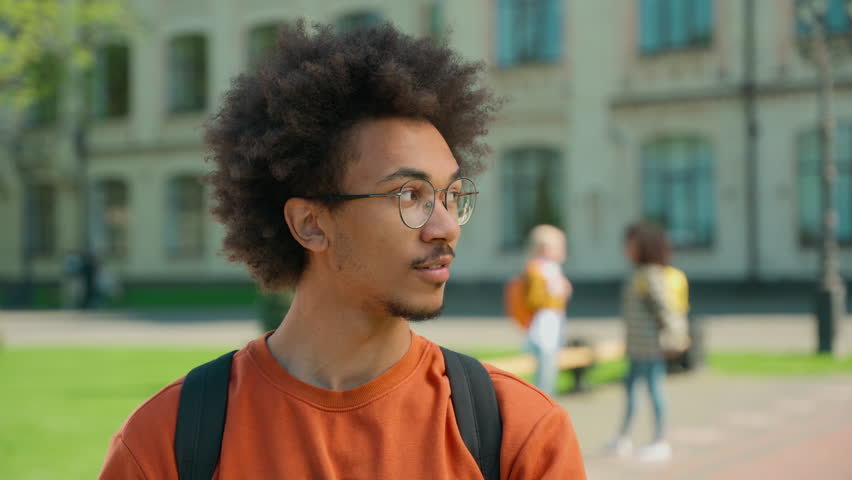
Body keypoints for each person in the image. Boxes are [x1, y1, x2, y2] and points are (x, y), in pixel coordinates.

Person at [98, 22, 586, 479]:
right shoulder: (168, 443)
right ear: (310, 224)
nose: (444, 226)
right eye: (409, 195)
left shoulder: (518, 434)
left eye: (451, 196)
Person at [606, 222, 689, 462]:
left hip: (651, 348)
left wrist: (675, 336)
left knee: (654, 391)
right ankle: (623, 437)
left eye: (629, 244)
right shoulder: (639, 273)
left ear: (643, 246)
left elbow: (665, 309)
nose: (625, 249)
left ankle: (660, 441)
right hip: (636, 347)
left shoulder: (651, 275)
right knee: (631, 390)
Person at [522, 225, 572, 397]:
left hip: (553, 321)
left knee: (551, 364)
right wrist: (556, 295)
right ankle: (543, 398)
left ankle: (547, 397)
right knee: (545, 365)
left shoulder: (551, 268)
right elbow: (535, 299)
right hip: (542, 324)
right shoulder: (537, 269)